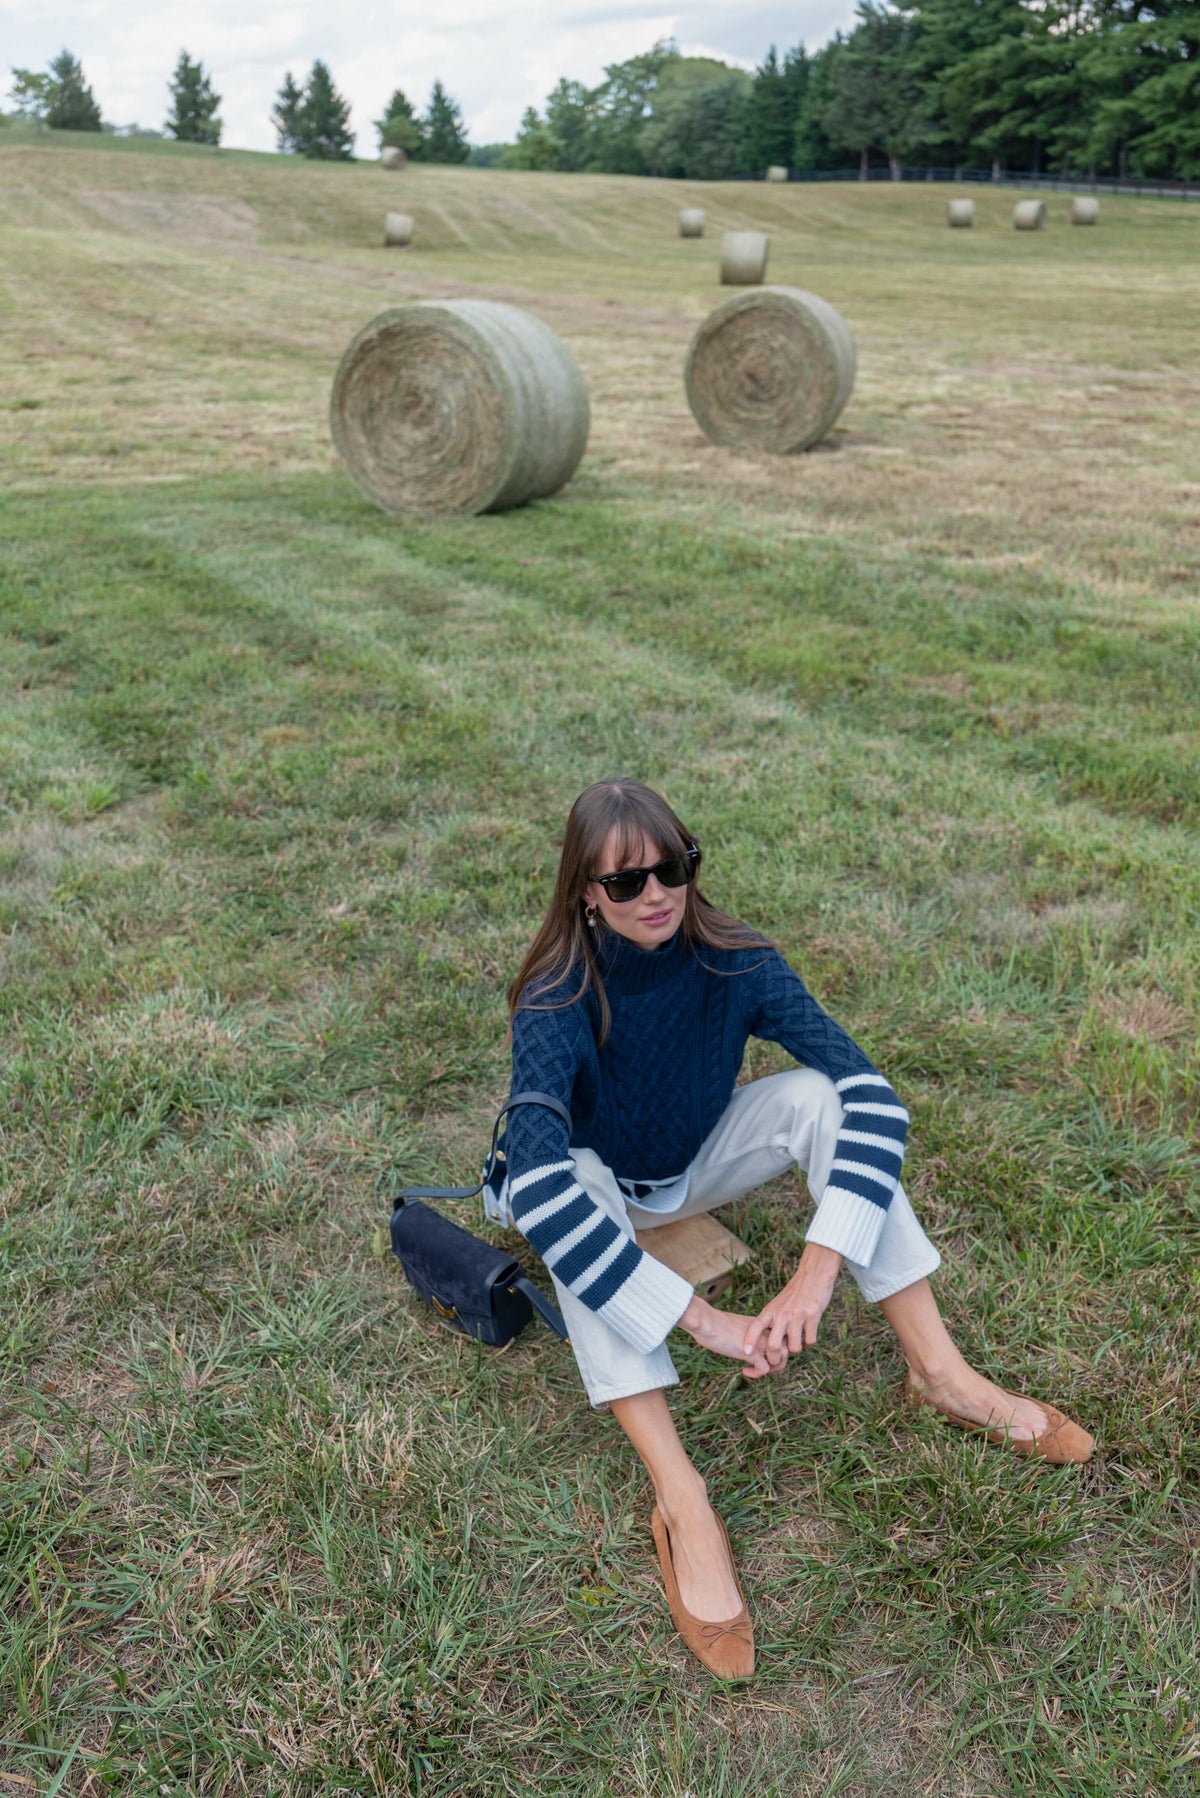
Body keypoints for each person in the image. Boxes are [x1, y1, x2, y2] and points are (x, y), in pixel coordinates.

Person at [503, 779, 1093, 1679]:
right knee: (570, 1184)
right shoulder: (556, 994)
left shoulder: (736, 960)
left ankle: (940, 1373)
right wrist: (702, 1320)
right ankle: (680, 1491)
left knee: (826, 1098)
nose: (656, 894)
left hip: (692, 1157)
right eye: (626, 883)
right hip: (594, 1175)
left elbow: (875, 1098)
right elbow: (539, 1180)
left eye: (675, 868)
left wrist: (816, 1271)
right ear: (585, 891)